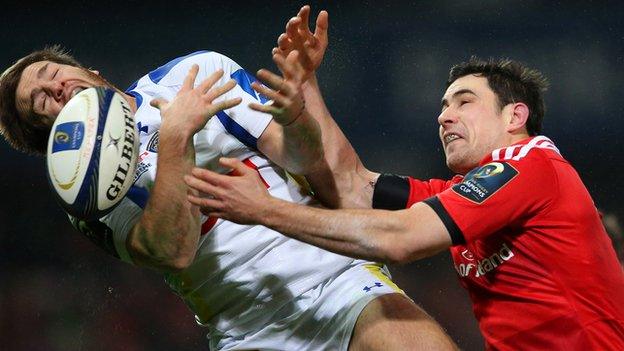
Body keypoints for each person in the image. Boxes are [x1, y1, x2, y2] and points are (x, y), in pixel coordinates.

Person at [183, 6, 624, 350]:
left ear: (515, 115)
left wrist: (264, 210)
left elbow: (400, 240)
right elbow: (352, 186)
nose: (444, 116)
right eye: (443, 106)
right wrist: (308, 85)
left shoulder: (530, 164)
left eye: (463, 102)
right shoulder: (463, 194)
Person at [0, 43, 458, 349]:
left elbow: (302, 161)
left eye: (50, 72)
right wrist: (177, 133)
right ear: (55, 137)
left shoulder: (190, 74)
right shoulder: (84, 191)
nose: (53, 87)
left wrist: (296, 117)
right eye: (41, 102)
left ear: (89, 71)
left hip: (335, 279)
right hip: (247, 330)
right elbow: (173, 251)